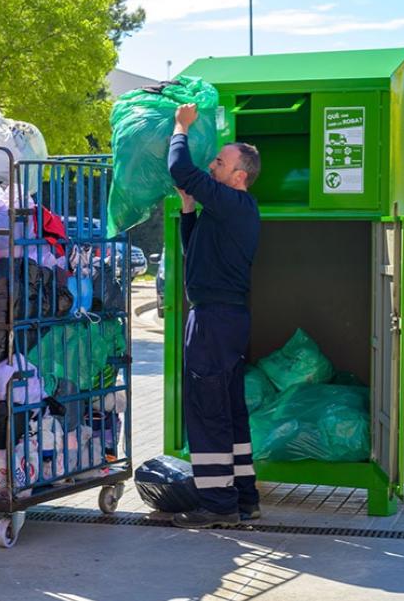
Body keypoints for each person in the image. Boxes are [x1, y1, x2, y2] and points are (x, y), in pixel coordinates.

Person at [167, 103, 262, 529]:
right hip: (225, 318)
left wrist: (179, 127)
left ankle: (217, 506)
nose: (212, 166)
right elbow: (195, 254)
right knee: (228, 407)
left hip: (213, 320)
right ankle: (243, 498)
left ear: (238, 176)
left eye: (220, 162)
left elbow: (181, 169)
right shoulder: (226, 212)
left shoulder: (234, 204)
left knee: (207, 408)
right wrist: (188, 210)